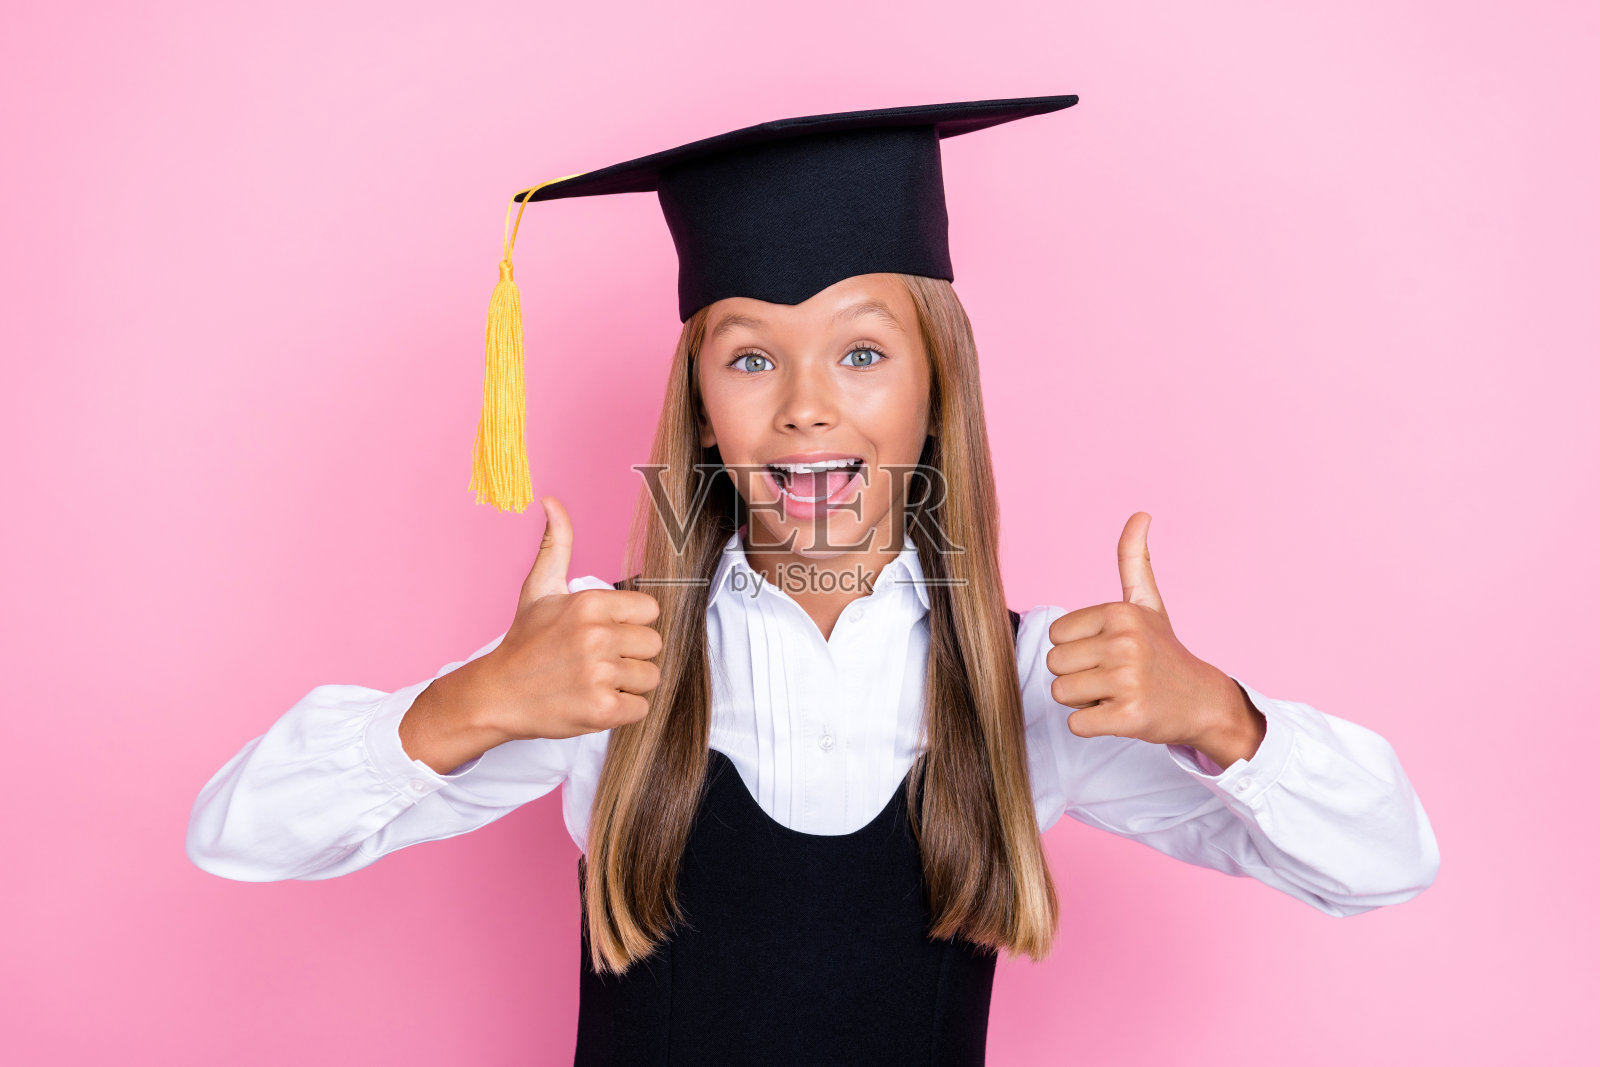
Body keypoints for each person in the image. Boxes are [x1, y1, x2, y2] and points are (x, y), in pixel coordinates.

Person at [186, 96, 1440, 1065]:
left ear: (934, 383)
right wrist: (474, 705)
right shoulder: (602, 661)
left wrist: (1220, 714)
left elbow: (1384, 863)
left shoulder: (1031, 678)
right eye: (748, 358)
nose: (803, 408)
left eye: (859, 350)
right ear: (699, 397)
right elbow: (237, 837)